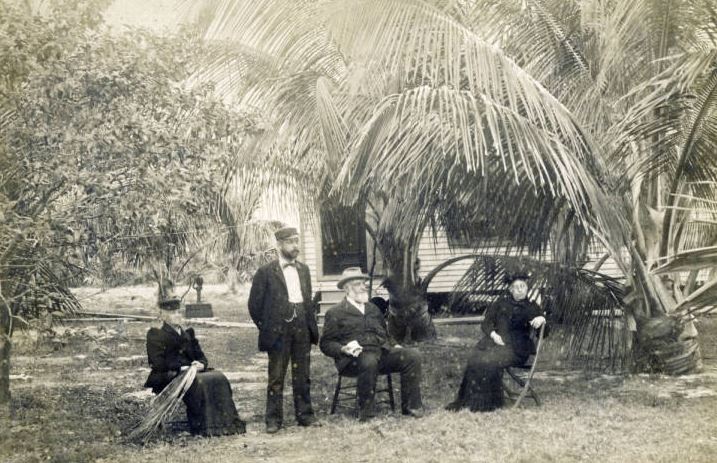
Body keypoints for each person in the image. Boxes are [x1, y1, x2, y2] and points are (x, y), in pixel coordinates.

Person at [320, 267, 424, 421]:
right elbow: (326, 343)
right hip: (352, 361)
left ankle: (411, 407)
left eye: (364, 283)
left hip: (379, 355)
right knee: (368, 360)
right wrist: (343, 348)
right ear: (346, 288)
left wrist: (395, 346)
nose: (363, 287)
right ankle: (366, 413)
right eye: (358, 284)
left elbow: (386, 335)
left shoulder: (373, 309)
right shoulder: (335, 313)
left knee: (412, 355)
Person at [247, 226, 320, 433]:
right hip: (278, 330)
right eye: (290, 242)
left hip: (302, 327)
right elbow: (254, 305)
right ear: (279, 245)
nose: (295, 246)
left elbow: (307, 300)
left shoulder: (304, 270)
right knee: (277, 376)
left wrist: (307, 322)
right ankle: (273, 420)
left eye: (297, 241)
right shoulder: (265, 272)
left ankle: (305, 415)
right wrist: (268, 327)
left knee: (303, 374)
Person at [144, 295, 246, 436]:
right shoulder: (156, 335)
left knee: (218, 377)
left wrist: (201, 365)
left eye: (179, 312)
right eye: (172, 313)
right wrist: (181, 368)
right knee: (200, 382)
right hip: (169, 374)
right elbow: (157, 363)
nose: (177, 315)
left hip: (192, 373)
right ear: (163, 316)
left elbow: (202, 356)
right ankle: (204, 427)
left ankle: (225, 424)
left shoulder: (188, 334)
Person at [446, 273, 546, 412]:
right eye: (516, 287)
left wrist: (542, 319)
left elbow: (545, 332)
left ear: (527, 288)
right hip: (494, 343)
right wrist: (493, 335)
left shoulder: (532, 307)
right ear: (510, 289)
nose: (519, 290)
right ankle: (470, 400)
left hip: (516, 349)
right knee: (475, 358)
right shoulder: (500, 303)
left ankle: (486, 403)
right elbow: (486, 323)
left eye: (522, 286)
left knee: (489, 360)